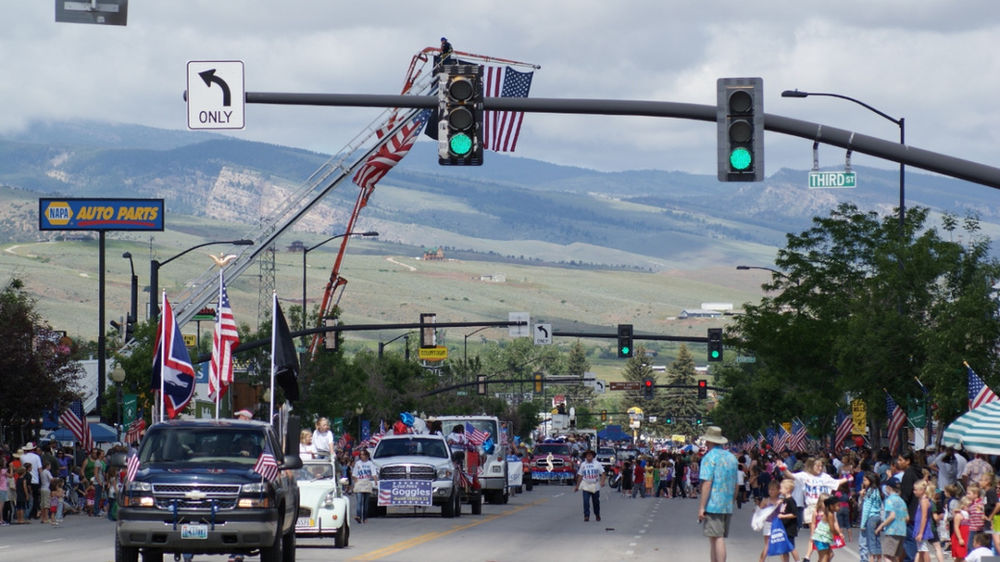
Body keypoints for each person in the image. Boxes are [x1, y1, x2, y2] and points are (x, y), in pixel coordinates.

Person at [697, 426, 738, 562]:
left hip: (713, 504)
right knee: (717, 537)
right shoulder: (732, 457)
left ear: (708, 441)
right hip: (726, 503)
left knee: (716, 538)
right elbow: (736, 483)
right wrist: (732, 501)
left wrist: (702, 506)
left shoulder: (709, 458)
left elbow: (707, 483)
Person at [876, 479, 909, 562]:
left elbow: (892, 516)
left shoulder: (889, 500)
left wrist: (881, 525)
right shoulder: (902, 501)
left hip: (892, 531)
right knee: (894, 556)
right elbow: (907, 518)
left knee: (887, 555)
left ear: (888, 488)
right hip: (902, 531)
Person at [574, 449, 606, 522]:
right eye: (587, 455)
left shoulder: (597, 464)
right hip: (586, 485)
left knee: (596, 502)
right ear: (585, 456)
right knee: (586, 501)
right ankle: (586, 515)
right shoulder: (583, 464)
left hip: (595, 485)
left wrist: (602, 482)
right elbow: (580, 476)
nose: (589, 457)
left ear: (592, 456)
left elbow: (603, 474)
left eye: (590, 455)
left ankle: (597, 514)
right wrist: (577, 486)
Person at [859, 471, 884, 562]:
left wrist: (862, 524)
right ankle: (879, 559)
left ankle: (871, 559)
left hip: (871, 518)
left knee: (871, 541)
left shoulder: (870, 492)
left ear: (871, 480)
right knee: (877, 540)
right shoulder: (877, 490)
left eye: (865, 480)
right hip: (877, 517)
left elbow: (866, 509)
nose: (863, 482)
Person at [351, 449, 377, 524]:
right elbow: (354, 474)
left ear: (366, 456)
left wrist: (376, 482)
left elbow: (374, 474)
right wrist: (355, 482)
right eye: (361, 455)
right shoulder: (358, 463)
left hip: (367, 483)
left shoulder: (370, 464)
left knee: (366, 503)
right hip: (359, 482)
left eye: (363, 455)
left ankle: (365, 517)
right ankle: (358, 516)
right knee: (359, 501)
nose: (362, 456)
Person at [912, 480, 935, 562]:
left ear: (922, 490)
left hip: (922, 528)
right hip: (919, 526)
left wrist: (921, 532)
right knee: (921, 550)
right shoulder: (922, 500)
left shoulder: (924, 501)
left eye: (915, 490)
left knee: (924, 549)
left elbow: (924, 517)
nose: (914, 492)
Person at [20, 442, 41, 519]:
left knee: (27, 496)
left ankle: (27, 512)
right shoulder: (36, 457)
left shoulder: (22, 457)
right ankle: (33, 512)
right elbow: (40, 469)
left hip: (25, 478)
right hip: (35, 479)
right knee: (35, 497)